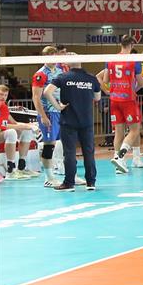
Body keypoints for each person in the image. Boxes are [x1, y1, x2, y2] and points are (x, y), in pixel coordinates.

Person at [43, 54, 103, 192]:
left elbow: (47, 92)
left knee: (69, 152)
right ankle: (91, 182)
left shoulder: (63, 77)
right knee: (88, 152)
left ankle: (69, 183)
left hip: (68, 120)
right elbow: (98, 97)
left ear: (68, 63)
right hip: (86, 121)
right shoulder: (91, 78)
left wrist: (58, 107)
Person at [98, 35, 143, 173]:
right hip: (128, 100)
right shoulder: (134, 60)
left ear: (120, 44)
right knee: (135, 130)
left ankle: (119, 163)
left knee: (119, 132)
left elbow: (105, 80)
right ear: (131, 45)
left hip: (114, 100)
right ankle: (120, 157)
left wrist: (108, 90)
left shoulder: (111, 59)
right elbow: (140, 82)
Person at [31, 45, 65, 187]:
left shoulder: (60, 71)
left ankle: (70, 174)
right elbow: (36, 97)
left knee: (65, 143)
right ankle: (49, 177)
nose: (53, 59)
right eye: (50, 56)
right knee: (49, 145)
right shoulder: (40, 74)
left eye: (54, 56)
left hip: (60, 112)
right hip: (48, 113)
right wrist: (43, 116)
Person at [0, 84, 36, 179]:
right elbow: (2, 126)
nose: (3, 97)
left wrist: (29, 125)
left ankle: (21, 167)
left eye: (5, 95)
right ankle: (10, 171)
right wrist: (25, 126)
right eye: (1, 94)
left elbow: (13, 123)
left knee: (26, 131)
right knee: (12, 132)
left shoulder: (3, 107)